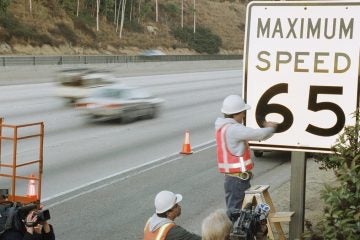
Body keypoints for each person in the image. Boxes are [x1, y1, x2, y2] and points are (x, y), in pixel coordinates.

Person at [215, 95, 278, 218]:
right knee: (237, 214)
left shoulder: (224, 128)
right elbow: (257, 134)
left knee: (241, 212)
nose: (244, 116)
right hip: (237, 180)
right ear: (236, 113)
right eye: (243, 113)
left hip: (235, 179)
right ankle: (235, 236)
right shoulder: (233, 129)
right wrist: (271, 128)